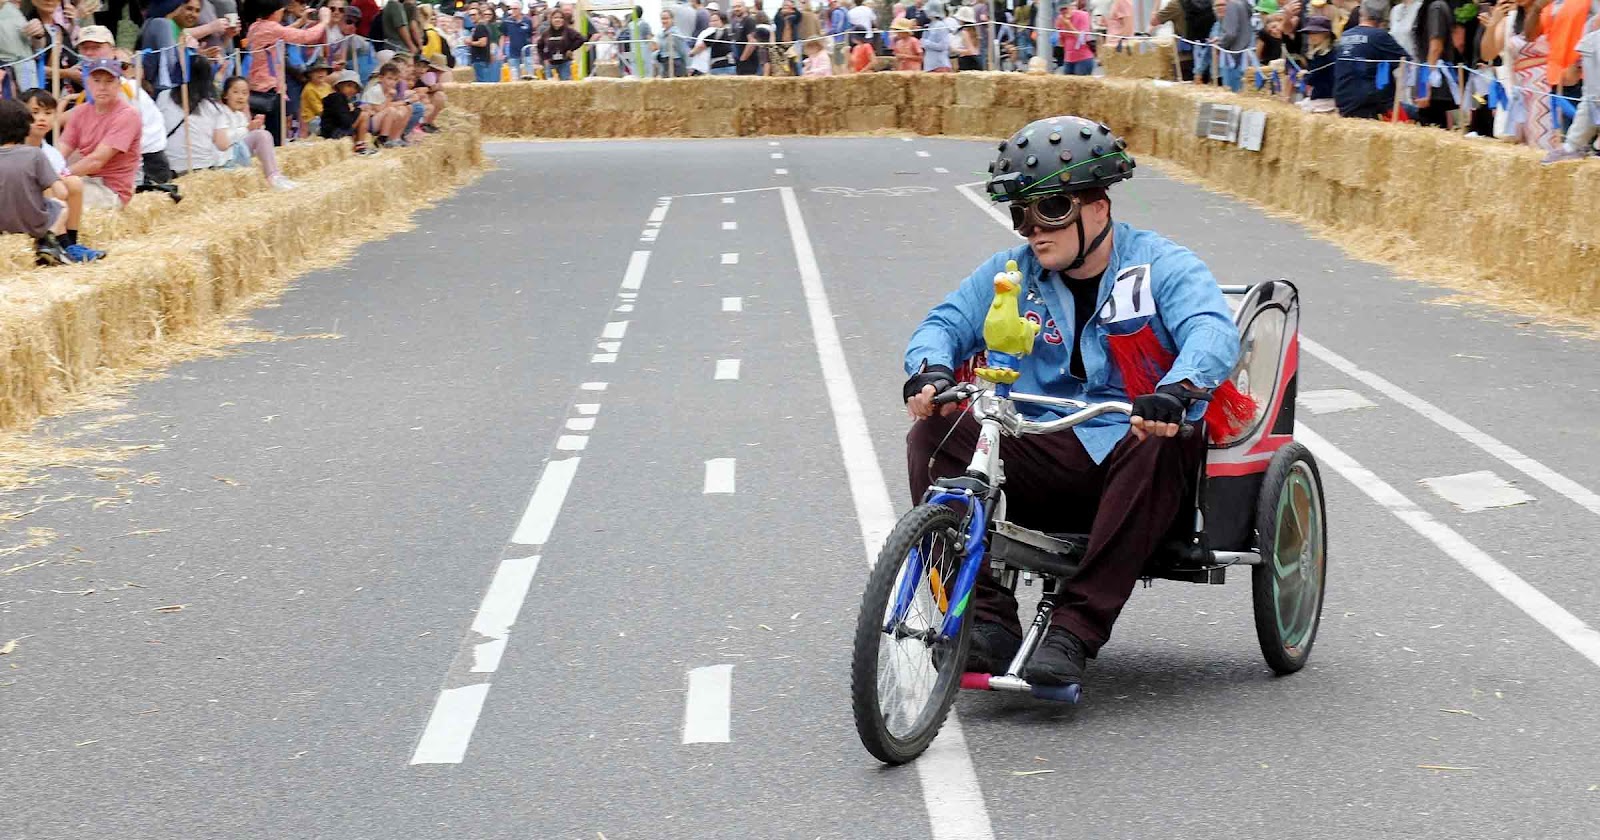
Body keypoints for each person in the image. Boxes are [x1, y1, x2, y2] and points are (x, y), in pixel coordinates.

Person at [903, 116, 1242, 688]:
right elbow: (944, 323)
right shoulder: (1012, 273)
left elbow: (1213, 331)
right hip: (1039, 448)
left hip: (1129, 455)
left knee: (1162, 436)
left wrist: (1175, 391)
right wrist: (929, 370)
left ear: (1098, 209)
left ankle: (1074, 630)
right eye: (1022, 214)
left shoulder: (1162, 265)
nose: (1034, 229)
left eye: (1052, 209)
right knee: (931, 436)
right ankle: (987, 619)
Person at [8, 96, 101, 264]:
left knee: (73, 182)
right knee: (49, 189)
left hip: (36, 206)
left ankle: (70, 242)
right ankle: (57, 242)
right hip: (25, 207)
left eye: (48, 113)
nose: (42, 118)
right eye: (35, 112)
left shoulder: (51, 153)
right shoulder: (25, 151)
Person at [57, 58, 142, 208]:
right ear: (88, 83)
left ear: (119, 84)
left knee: (58, 203)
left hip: (110, 190)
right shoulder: (80, 112)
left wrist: (59, 177)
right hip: (84, 180)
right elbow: (60, 151)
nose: (102, 87)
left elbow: (96, 161)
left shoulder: (128, 115)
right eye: (97, 81)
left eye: (109, 81)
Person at [244, 0, 330, 145]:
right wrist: (324, 21)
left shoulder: (256, 26)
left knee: (265, 131)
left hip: (257, 88)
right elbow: (307, 37)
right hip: (269, 89)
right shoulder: (272, 28)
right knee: (276, 137)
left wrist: (301, 22)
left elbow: (279, 34)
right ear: (275, 12)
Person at [1481, 0, 1560, 150]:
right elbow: (1487, 54)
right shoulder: (1511, 19)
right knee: (1523, 147)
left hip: (1547, 90)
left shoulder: (1552, 11)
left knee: (1545, 145)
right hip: (1520, 93)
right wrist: (1493, 25)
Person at [155, 53, 230, 174]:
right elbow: (223, 145)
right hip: (202, 169)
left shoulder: (163, 97)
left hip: (170, 167)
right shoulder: (213, 108)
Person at [1334, 0, 1410, 117]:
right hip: (1370, 104)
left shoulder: (1345, 36)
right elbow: (1404, 60)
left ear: (1362, 13)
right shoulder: (1379, 36)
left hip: (1343, 102)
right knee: (1415, 115)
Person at [218, 76, 297, 188]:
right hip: (228, 157)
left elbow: (247, 135)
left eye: (244, 93)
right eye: (235, 92)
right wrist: (249, 129)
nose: (240, 97)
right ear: (225, 94)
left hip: (238, 152)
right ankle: (272, 176)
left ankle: (275, 174)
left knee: (263, 134)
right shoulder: (221, 114)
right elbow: (224, 140)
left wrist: (257, 126)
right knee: (262, 135)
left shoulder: (239, 115)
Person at [1407, 0, 1458, 127]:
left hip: (1435, 85)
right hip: (1433, 80)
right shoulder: (1432, 7)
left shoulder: (1436, 8)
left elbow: (1436, 47)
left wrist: (1425, 87)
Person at [319, 69, 377, 154]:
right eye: (349, 86)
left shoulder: (337, 98)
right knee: (364, 115)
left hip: (332, 131)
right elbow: (346, 121)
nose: (352, 90)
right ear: (340, 86)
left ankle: (359, 144)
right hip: (334, 133)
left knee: (363, 113)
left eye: (355, 88)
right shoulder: (338, 98)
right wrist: (359, 109)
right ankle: (360, 146)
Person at [361, 61, 411, 146]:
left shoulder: (388, 90)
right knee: (391, 110)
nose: (392, 82)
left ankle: (396, 138)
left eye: (395, 80)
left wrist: (404, 103)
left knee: (407, 108)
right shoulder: (376, 90)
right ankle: (382, 139)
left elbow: (387, 106)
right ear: (380, 78)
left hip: (379, 118)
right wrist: (389, 97)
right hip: (368, 123)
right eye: (389, 78)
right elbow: (380, 109)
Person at [1297, 14, 1338, 110]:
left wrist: (1304, 75)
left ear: (1326, 34)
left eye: (1315, 32)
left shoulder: (1324, 55)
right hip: (1325, 97)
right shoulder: (1329, 51)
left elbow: (1312, 79)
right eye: (1310, 33)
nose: (1311, 36)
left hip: (1326, 100)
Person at [537, 9, 587, 80]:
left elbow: (581, 39)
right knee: (550, 86)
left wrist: (571, 49)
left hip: (565, 63)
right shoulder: (546, 33)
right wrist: (544, 58)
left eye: (560, 18)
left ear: (563, 20)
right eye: (555, 17)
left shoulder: (569, 31)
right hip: (551, 64)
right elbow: (539, 46)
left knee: (565, 85)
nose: (558, 20)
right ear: (551, 19)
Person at [1217, 0, 1253, 90]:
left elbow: (1230, 34)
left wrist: (1221, 43)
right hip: (1245, 53)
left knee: (1232, 95)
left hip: (1233, 57)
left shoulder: (1232, 5)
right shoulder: (1244, 3)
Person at [1060, 0, 1096, 74]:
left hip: (1083, 58)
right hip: (1068, 58)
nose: (1064, 12)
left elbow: (1083, 38)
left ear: (1071, 7)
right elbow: (1062, 41)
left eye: (1066, 8)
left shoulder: (1083, 15)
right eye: (1061, 10)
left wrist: (1069, 25)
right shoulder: (1060, 18)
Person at [691, 9, 732, 75]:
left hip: (720, 66)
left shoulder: (716, 32)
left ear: (723, 21)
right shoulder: (728, 31)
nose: (712, 23)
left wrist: (691, 53)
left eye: (715, 20)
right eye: (711, 21)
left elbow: (701, 46)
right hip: (729, 64)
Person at [299, 61, 332, 139]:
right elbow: (320, 111)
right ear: (310, 74)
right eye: (317, 71)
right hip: (313, 119)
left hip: (327, 116)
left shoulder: (327, 86)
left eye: (323, 71)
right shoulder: (309, 89)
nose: (321, 73)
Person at [501, 3, 533, 78]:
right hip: (513, 50)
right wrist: (501, 50)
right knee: (514, 73)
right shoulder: (507, 21)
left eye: (515, 9)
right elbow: (503, 36)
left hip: (526, 50)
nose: (513, 11)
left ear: (520, 10)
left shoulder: (527, 21)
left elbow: (531, 34)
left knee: (529, 72)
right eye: (512, 9)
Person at [731, 0, 762, 74]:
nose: (736, 9)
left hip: (748, 62)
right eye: (734, 7)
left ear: (744, 7)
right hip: (740, 62)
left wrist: (743, 59)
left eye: (739, 6)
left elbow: (752, 42)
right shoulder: (738, 22)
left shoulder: (749, 20)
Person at [921, 0, 953, 70]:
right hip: (930, 64)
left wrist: (927, 43)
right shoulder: (929, 25)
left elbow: (944, 46)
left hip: (939, 64)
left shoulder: (940, 25)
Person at [656, 8, 688, 75]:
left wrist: (688, 67)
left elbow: (683, 51)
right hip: (665, 66)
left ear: (672, 20)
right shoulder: (660, 34)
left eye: (666, 18)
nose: (664, 21)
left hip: (676, 65)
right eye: (662, 18)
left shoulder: (676, 34)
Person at [467, 7, 495, 80]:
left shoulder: (480, 27)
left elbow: (483, 43)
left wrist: (470, 42)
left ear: (479, 15)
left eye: (474, 14)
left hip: (480, 59)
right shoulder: (478, 27)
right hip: (480, 59)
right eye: (470, 15)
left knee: (482, 82)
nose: (472, 17)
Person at [953, 5, 979, 70]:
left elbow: (971, 51)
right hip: (973, 61)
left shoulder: (964, 32)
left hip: (967, 62)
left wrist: (956, 50)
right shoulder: (973, 30)